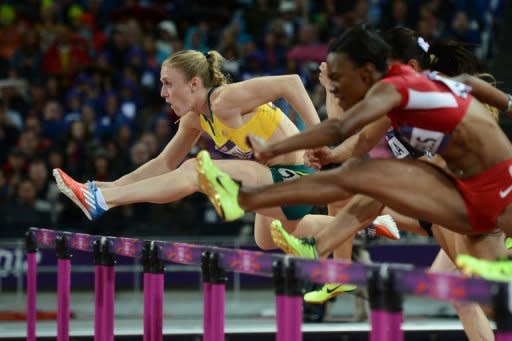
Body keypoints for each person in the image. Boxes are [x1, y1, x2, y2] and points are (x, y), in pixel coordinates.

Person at [195, 25, 512, 284]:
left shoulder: (395, 87)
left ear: (367, 70)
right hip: (468, 197)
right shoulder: (411, 90)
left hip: (494, 190)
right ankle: (316, 246)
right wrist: (332, 157)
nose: (340, 86)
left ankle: (247, 199)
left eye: (342, 77)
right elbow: (358, 142)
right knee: (365, 177)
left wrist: (274, 148)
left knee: (369, 177)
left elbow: (338, 127)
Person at [53, 49, 397, 264]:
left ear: (193, 85)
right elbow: (162, 164)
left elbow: (291, 83)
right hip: (279, 184)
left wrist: (315, 137)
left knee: (196, 170)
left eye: (167, 83)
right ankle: (367, 222)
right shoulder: (194, 119)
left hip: (295, 178)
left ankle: (102, 201)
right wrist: (109, 183)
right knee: (265, 240)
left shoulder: (225, 99)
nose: (162, 93)